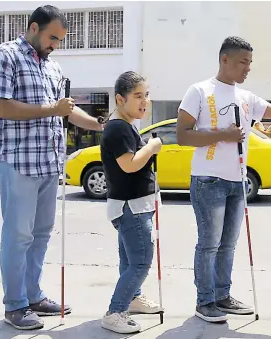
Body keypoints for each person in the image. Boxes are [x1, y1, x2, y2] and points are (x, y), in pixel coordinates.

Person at [176, 36, 271, 323]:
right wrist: (222, 135)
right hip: (208, 180)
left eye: (250, 63)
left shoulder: (246, 97)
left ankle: (222, 295)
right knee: (209, 244)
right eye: (243, 62)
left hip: (237, 181)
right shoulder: (200, 91)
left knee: (228, 244)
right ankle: (204, 301)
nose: (248, 68)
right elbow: (182, 136)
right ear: (224, 60)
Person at [0, 5, 103, 330]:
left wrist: (102, 125)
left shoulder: (52, 66)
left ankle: (33, 296)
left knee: (40, 234)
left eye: (60, 40)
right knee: (18, 234)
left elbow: (66, 112)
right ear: (33, 27)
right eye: (52, 37)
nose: (55, 45)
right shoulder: (4, 56)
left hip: (49, 163)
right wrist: (52, 109)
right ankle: (15, 305)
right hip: (17, 161)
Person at [99, 71, 163, 334]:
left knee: (129, 261)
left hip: (131, 206)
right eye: (137, 96)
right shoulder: (118, 128)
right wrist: (152, 146)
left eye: (146, 95)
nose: (144, 101)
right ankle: (115, 312)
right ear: (120, 99)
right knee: (140, 261)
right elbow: (129, 164)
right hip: (131, 208)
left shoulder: (124, 126)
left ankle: (133, 298)